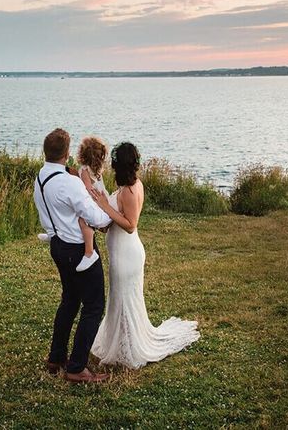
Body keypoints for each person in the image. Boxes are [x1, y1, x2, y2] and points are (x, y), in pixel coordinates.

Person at [89, 141, 200, 369]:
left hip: (126, 255)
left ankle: (130, 347)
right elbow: (114, 220)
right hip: (122, 251)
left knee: (124, 299)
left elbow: (130, 225)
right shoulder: (128, 186)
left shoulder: (131, 190)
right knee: (119, 299)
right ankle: (122, 341)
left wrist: (105, 206)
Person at [33, 127, 113, 384]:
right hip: (77, 248)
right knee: (93, 306)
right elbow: (96, 217)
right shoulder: (68, 182)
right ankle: (77, 367)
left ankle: (56, 358)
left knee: (69, 301)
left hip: (57, 246)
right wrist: (108, 212)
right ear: (67, 155)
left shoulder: (41, 177)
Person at [75, 135, 109, 272]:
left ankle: (89, 252)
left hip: (96, 200)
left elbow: (88, 190)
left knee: (83, 220)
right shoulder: (96, 170)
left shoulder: (84, 170)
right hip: (102, 198)